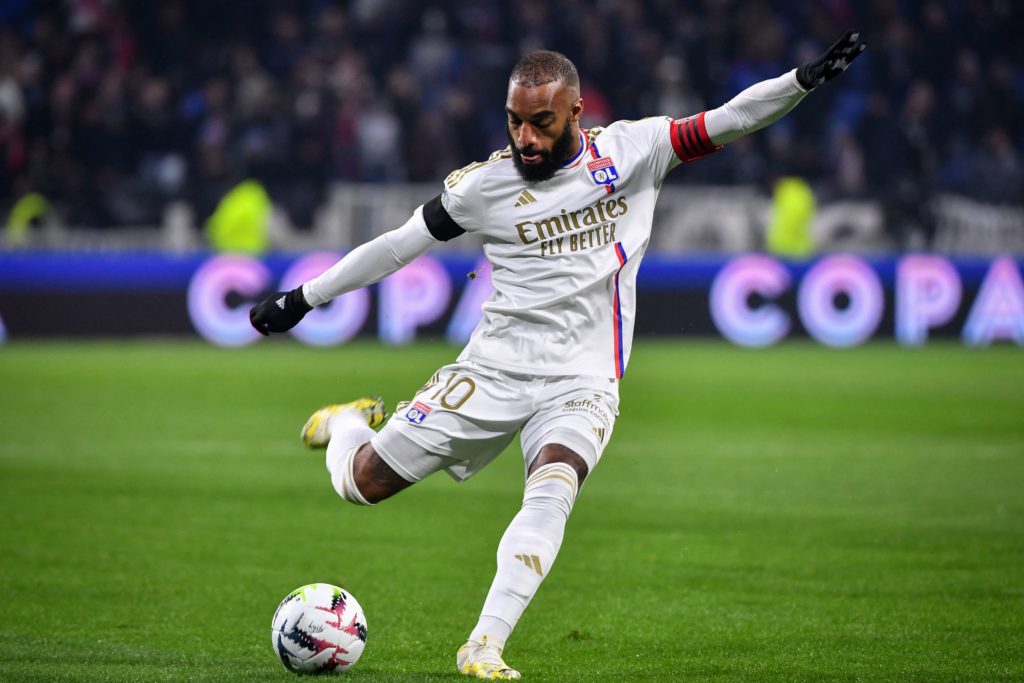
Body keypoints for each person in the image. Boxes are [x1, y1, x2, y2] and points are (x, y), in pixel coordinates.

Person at [250, 32, 866, 680]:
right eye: (514, 122)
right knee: (362, 484)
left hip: (585, 376)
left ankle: (483, 645)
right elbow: (399, 245)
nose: (526, 139)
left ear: (576, 112)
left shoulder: (635, 152)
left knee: (553, 489)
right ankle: (347, 424)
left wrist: (801, 80)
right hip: (494, 367)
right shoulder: (482, 187)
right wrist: (303, 297)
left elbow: (732, 119)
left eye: (541, 123)